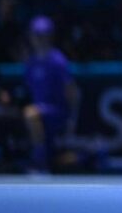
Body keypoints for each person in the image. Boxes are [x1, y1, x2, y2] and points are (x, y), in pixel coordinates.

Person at [22, 16, 80, 172]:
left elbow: (72, 92)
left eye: (43, 36)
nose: (39, 40)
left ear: (50, 36)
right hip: (39, 110)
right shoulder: (31, 62)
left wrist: (72, 119)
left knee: (30, 114)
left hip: (57, 112)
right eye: (36, 35)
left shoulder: (58, 61)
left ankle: (40, 161)